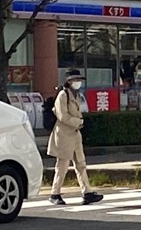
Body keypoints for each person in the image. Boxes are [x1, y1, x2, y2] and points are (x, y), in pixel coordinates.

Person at [47, 68, 103, 205]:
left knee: (81, 164)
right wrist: (79, 122)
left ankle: (87, 192)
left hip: (75, 133)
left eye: (79, 80)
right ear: (69, 81)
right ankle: (55, 193)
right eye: (75, 80)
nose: (78, 82)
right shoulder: (63, 95)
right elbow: (62, 116)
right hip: (64, 134)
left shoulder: (76, 95)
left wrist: (81, 123)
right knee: (62, 165)